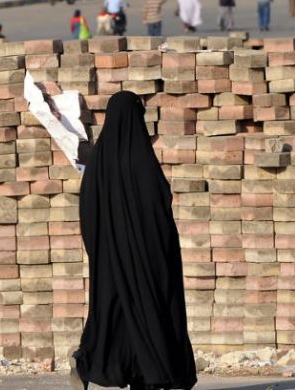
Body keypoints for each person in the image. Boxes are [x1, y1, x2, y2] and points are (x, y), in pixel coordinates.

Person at [69, 91, 198, 390]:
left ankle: (88, 363)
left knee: (113, 313)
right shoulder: (142, 160)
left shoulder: (98, 163)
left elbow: (87, 210)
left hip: (109, 258)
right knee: (150, 309)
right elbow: (160, 205)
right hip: (147, 258)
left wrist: (101, 249)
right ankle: (150, 372)